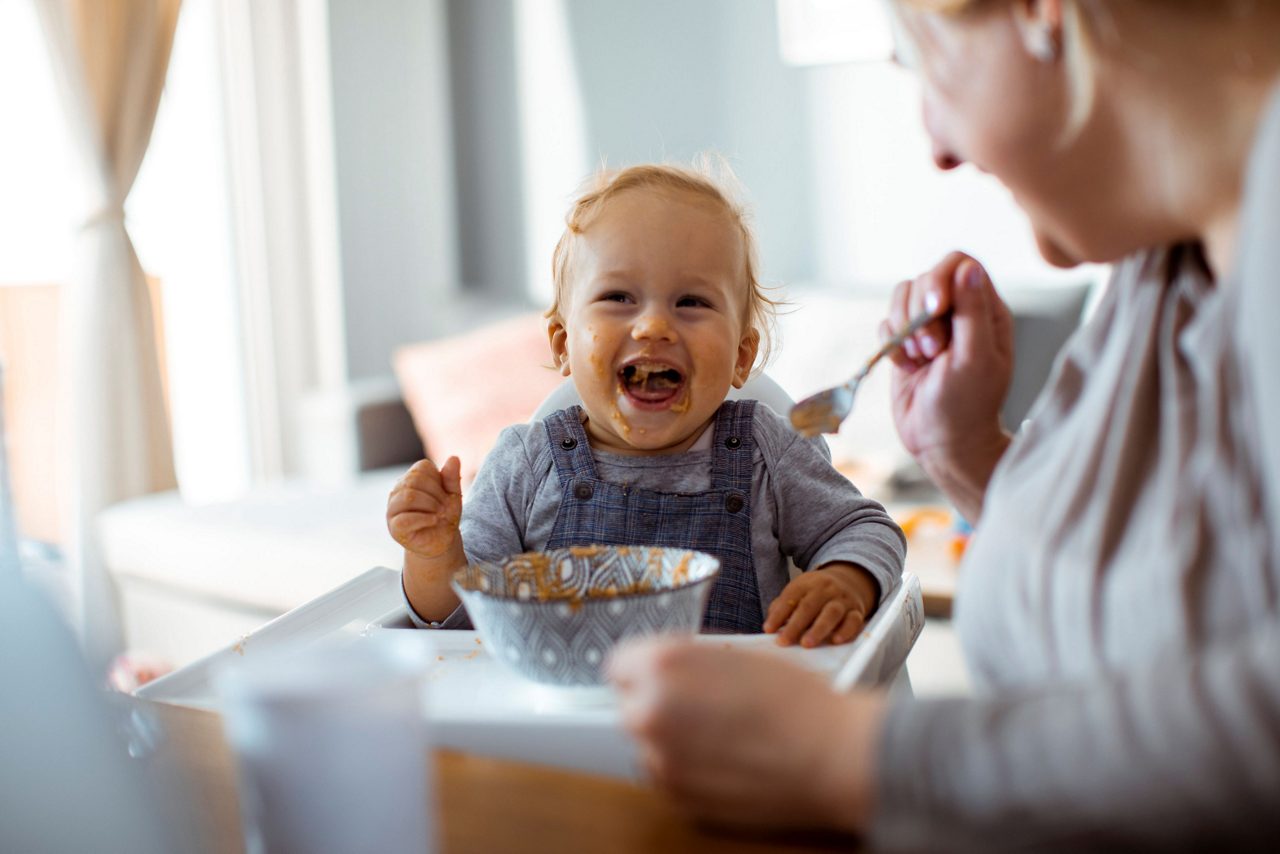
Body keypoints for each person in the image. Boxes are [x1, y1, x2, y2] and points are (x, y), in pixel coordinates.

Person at [606, 0, 1280, 849]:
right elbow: (1182, 597)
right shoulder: (1162, 265)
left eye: (921, 61)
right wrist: (968, 453)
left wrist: (853, 757)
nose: (937, 143)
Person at [387, 162, 906, 645]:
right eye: (619, 298)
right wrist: (433, 554)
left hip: (728, 728)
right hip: (562, 736)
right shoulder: (524, 466)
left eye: (691, 302)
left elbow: (865, 529)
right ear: (564, 344)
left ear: (741, 357)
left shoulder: (766, 453)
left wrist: (846, 580)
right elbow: (458, 625)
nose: (654, 325)